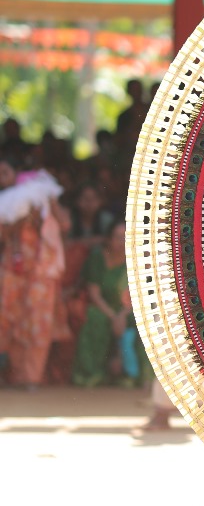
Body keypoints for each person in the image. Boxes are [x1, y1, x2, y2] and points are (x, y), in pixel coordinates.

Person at [0, 152, 65, 388]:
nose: (1, 178)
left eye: (4, 172)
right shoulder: (6, 203)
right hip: (12, 270)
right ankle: (16, 374)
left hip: (41, 270)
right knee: (11, 319)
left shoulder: (41, 197)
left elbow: (65, 224)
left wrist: (50, 204)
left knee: (38, 321)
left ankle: (32, 377)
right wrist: (21, 220)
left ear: (18, 174)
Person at [72, 222, 146, 387]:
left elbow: (141, 295)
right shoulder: (98, 258)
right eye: (118, 237)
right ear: (109, 239)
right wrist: (113, 317)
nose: (122, 242)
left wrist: (122, 315)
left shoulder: (138, 261)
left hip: (129, 310)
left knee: (142, 323)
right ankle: (91, 373)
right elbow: (94, 293)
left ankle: (134, 376)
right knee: (94, 318)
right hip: (103, 307)